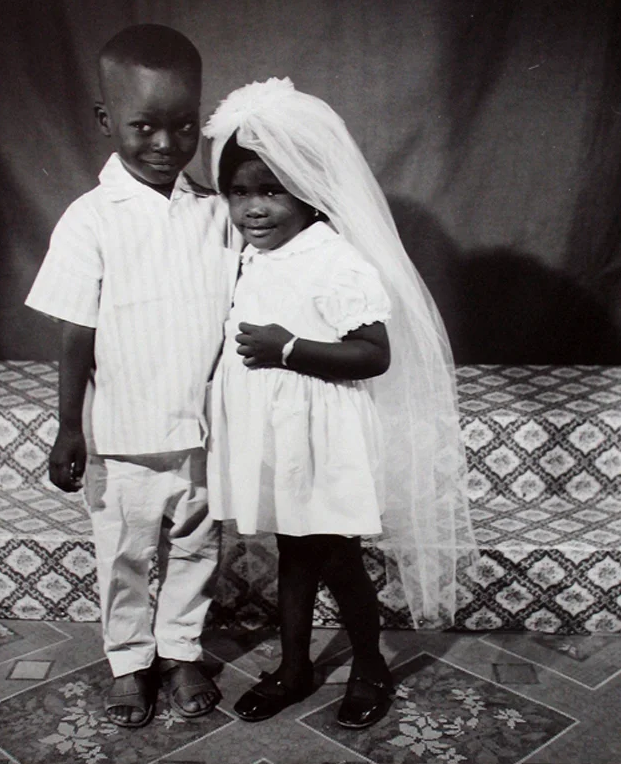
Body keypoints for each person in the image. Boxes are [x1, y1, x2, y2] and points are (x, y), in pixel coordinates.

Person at [202, 78, 477, 729]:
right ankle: (295, 668)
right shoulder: (254, 255)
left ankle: (369, 666)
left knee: (335, 558)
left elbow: (373, 354)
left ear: (308, 189)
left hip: (323, 437)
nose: (253, 208)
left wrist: (287, 348)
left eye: (271, 191)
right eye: (238, 192)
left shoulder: (333, 260)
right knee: (295, 553)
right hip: (280, 435)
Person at [25, 24, 240, 728]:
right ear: (105, 120)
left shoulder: (215, 213)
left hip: (202, 430)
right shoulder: (89, 219)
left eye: (184, 125)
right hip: (121, 435)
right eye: (143, 125)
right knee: (123, 555)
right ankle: (128, 660)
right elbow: (75, 333)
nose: (166, 143)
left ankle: (179, 650)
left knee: (196, 546)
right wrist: (68, 427)